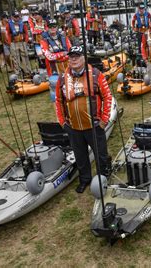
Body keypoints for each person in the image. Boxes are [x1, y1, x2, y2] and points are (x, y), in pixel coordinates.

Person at [55, 46, 112, 193]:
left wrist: (104, 119)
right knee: (80, 156)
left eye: (77, 56)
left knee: (101, 154)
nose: (73, 59)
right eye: (71, 56)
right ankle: (85, 179)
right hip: (73, 127)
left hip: (94, 126)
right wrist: (62, 122)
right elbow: (58, 101)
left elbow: (107, 97)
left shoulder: (95, 74)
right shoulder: (62, 78)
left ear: (83, 58)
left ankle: (103, 178)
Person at [6, 11, 31, 76]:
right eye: (15, 17)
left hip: (22, 42)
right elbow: (7, 33)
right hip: (13, 42)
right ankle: (18, 71)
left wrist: (26, 40)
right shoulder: (9, 24)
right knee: (15, 57)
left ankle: (27, 70)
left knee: (25, 56)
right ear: (12, 17)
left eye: (18, 16)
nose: (17, 18)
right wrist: (9, 42)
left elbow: (26, 32)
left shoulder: (22, 23)